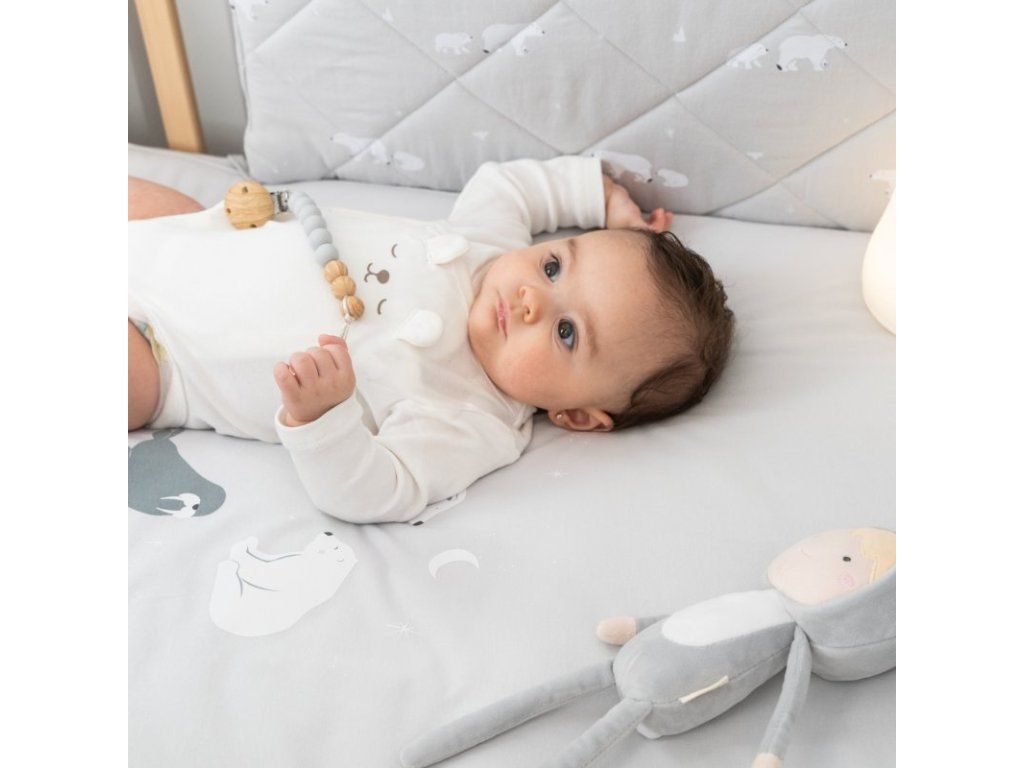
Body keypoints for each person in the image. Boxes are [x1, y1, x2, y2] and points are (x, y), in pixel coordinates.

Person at [128, 156, 733, 523]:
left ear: (575, 415)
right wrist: (602, 197)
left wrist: (323, 419)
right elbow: (511, 185)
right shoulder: (486, 245)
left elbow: (381, 491)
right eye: (554, 266)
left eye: (567, 332)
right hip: (193, 235)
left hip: (166, 358)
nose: (532, 299)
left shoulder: (473, 419)